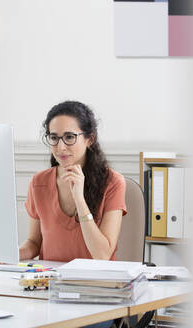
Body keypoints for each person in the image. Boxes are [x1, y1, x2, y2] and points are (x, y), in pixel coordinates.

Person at [19, 101, 127, 262]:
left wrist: (79, 200)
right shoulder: (39, 182)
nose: (60, 147)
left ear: (90, 139)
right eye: (54, 138)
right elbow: (34, 243)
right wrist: (8, 255)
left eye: (69, 137)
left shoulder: (113, 183)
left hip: (96, 283)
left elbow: (102, 255)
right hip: (51, 282)